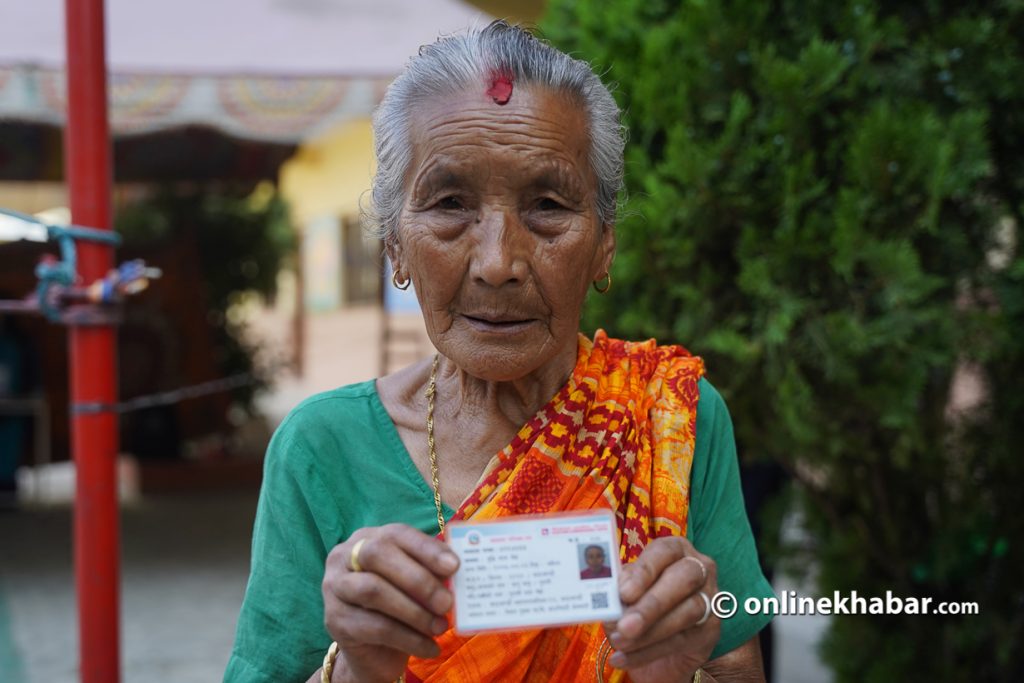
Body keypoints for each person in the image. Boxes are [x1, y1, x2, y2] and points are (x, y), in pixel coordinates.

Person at [225, 21, 773, 683]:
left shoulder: (670, 418)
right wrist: (360, 669)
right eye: (450, 203)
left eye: (547, 204)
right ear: (395, 245)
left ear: (604, 243)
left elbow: (735, 668)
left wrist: (671, 669)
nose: (497, 262)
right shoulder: (322, 448)